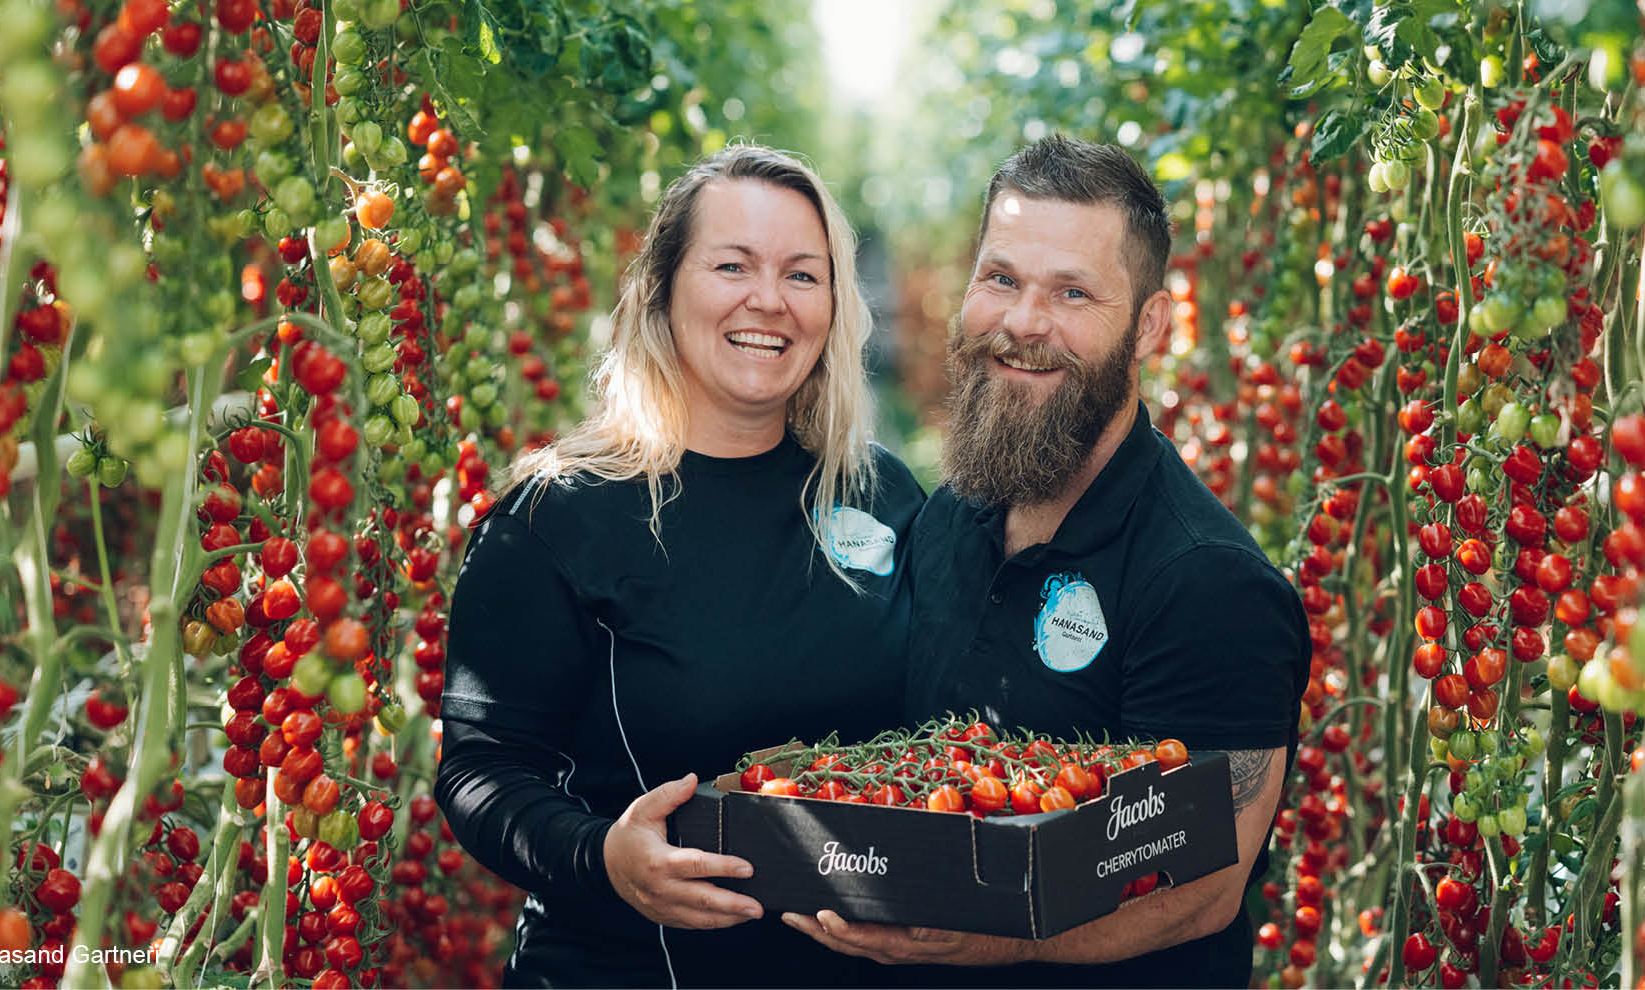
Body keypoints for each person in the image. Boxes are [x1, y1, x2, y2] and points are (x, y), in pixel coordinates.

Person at [784, 136, 1310, 986]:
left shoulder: (1207, 583)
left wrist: (978, 941)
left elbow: (1201, 888)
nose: (1023, 323)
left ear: (1149, 325)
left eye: (1072, 292)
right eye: (1001, 279)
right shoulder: (954, 515)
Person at [435, 145, 923, 988]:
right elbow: (483, 772)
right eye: (732, 265)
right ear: (660, 290)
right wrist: (602, 857)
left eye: (803, 275)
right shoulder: (556, 516)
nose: (768, 300)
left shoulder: (878, 491)